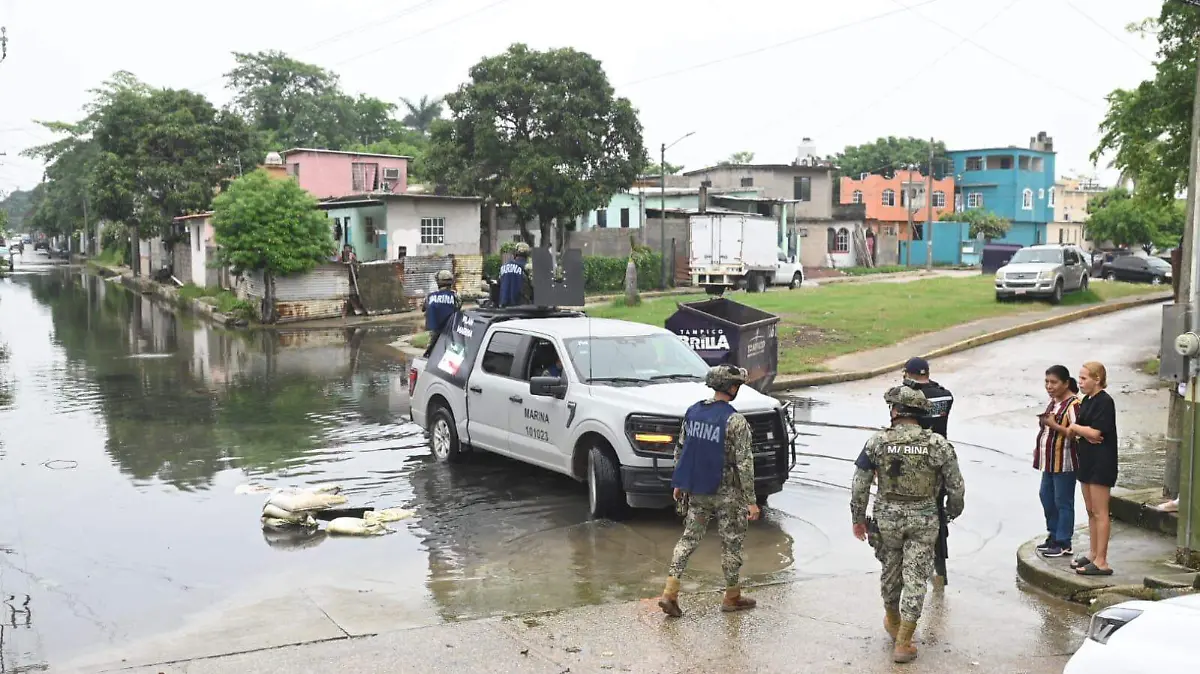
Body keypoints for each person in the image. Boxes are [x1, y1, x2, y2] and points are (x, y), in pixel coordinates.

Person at [851, 386, 966, 664]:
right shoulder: (938, 444)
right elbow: (956, 487)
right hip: (923, 518)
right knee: (916, 578)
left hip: (887, 520)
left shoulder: (877, 443)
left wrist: (857, 519)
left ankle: (892, 620)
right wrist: (951, 512)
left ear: (895, 411)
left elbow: (859, 485)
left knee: (890, 572)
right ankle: (904, 641)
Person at [658, 364, 760, 618]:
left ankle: (669, 592)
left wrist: (679, 483)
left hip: (699, 490)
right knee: (731, 544)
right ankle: (732, 596)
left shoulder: (693, 412)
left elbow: (681, 450)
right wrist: (751, 501)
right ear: (732, 388)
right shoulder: (735, 421)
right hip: (729, 494)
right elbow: (745, 464)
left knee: (688, 539)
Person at [901, 357, 954, 587]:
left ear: (908, 373)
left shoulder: (907, 397)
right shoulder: (946, 395)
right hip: (939, 461)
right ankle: (940, 569)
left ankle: (912, 569)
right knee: (937, 514)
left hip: (913, 463)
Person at [1070, 361, 1118, 576]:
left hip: (1102, 461)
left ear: (1097, 379)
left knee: (1100, 512)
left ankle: (1102, 560)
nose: (1080, 383)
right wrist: (1082, 431)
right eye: (1079, 378)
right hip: (1087, 458)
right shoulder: (1087, 400)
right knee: (1090, 510)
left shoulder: (1105, 402)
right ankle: (1093, 552)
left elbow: (1096, 433)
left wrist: (1077, 428)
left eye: (1084, 379)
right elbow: (1085, 432)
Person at [1034, 365, 1081, 559]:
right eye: (1047, 382)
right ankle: (1053, 536)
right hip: (1049, 461)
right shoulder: (1054, 402)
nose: (1049, 386)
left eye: (1053, 382)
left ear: (1066, 383)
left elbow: (1077, 433)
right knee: (1046, 497)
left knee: (1063, 501)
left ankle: (1064, 542)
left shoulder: (1073, 405)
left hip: (1065, 462)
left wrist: (1053, 425)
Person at [420, 270, 460, 355]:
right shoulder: (456, 296)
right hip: (451, 333)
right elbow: (458, 308)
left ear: (438, 282)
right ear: (451, 282)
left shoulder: (430, 296)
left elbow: (423, 308)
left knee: (429, 355)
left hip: (434, 334)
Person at [498, 242, 531, 307]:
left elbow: (498, 283)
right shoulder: (528, 268)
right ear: (527, 255)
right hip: (522, 307)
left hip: (504, 307)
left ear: (515, 254)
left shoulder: (503, 267)